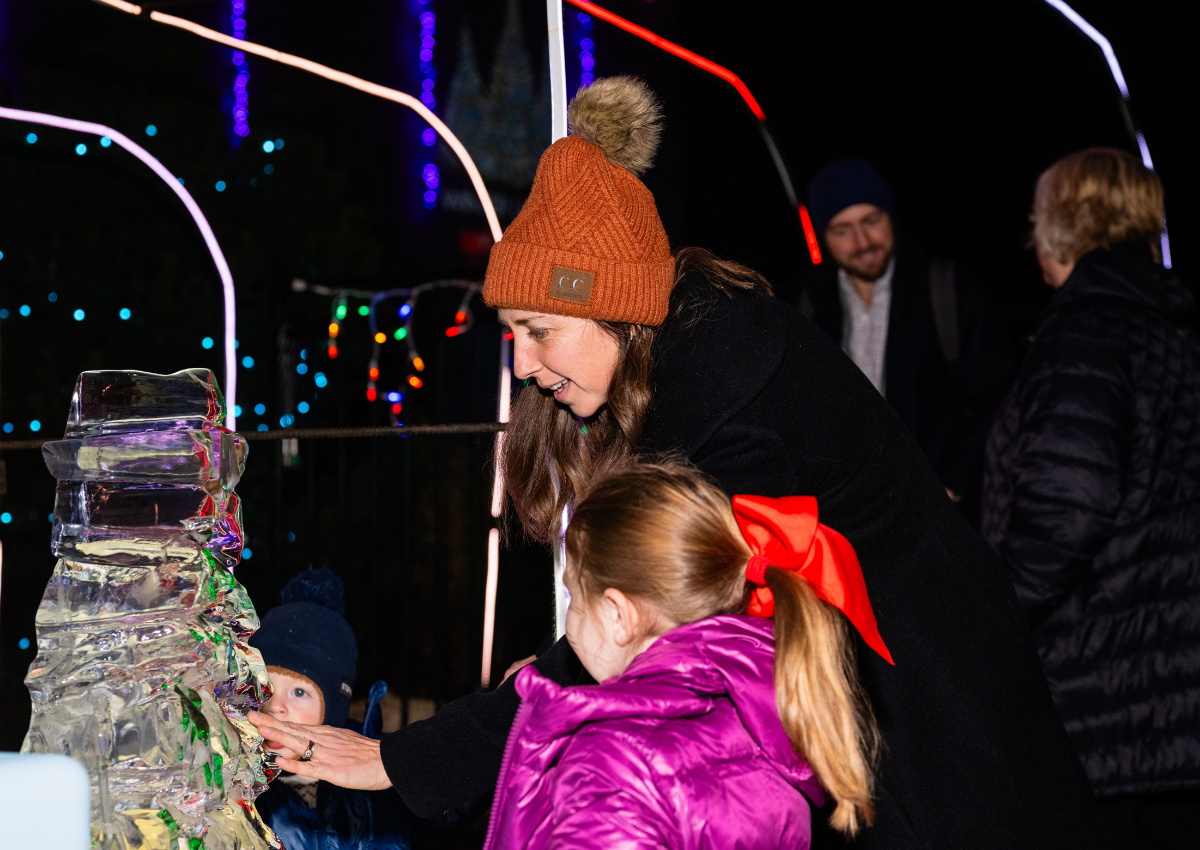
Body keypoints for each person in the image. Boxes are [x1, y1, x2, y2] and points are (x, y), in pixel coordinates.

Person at [250, 76, 1117, 849]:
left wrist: (404, 758)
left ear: (616, 311)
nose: (520, 365)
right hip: (859, 683)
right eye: (513, 335)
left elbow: (637, 623)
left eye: (538, 332)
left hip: (926, 692)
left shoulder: (721, 393)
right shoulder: (676, 352)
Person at [485, 460, 886, 849]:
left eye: (573, 596)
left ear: (618, 614)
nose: (569, 618)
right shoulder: (766, 726)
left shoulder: (610, 761)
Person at [982, 148, 1200, 848]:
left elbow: (1067, 508)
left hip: (1114, 682)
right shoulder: (1170, 322)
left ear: (1066, 223)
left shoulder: (1086, 333)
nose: (1029, 233)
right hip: (1171, 677)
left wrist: (991, 605)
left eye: (1037, 216)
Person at [783, 159, 1016, 524]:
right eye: (842, 230)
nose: (862, 243)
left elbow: (999, 402)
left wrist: (957, 483)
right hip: (844, 518)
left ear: (891, 216)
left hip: (939, 517)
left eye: (871, 222)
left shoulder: (947, 290)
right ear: (822, 236)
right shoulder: (802, 303)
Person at [250, 568, 416, 850]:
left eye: (299, 692)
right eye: (267, 688)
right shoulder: (241, 779)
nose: (276, 706)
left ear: (334, 707)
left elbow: (454, 800)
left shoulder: (376, 768)